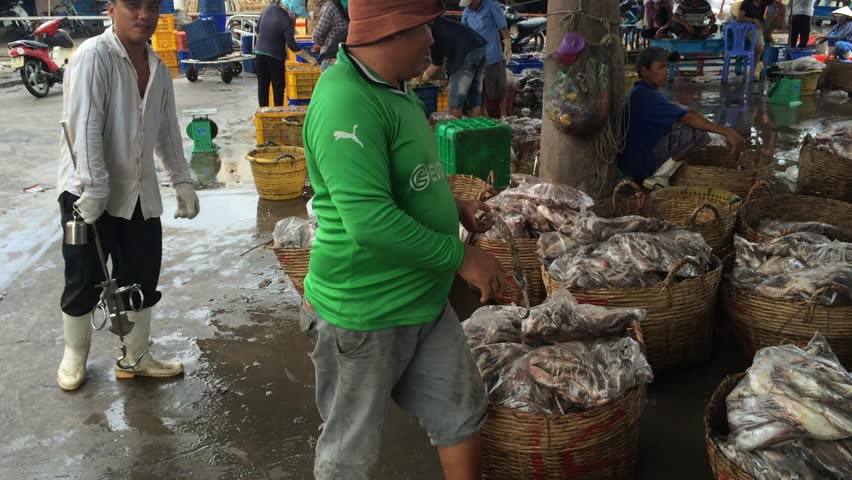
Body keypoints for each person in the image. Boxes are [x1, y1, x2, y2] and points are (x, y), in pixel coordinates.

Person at [300, 0, 506, 478]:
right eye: (425, 29)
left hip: (423, 301)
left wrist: (455, 209)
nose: (433, 41)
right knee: (348, 451)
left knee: (461, 412)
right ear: (391, 31)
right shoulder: (345, 102)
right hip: (365, 314)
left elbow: (409, 181)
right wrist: (461, 257)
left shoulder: (398, 89)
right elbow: (370, 221)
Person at [55, 0, 201, 391]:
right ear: (111, 8)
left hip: (138, 190)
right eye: (132, 5)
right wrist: (96, 188)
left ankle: (134, 358)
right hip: (86, 192)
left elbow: (167, 130)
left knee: (141, 273)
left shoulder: (157, 68)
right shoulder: (93, 57)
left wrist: (182, 179)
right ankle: (75, 355)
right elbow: (84, 126)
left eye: (151, 6)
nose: (143, 15)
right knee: (84, 276)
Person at [619, 47, 746, 190]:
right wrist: (727, 131)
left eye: (667, 66)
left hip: (632, 161)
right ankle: (658, 177)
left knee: (690, 125)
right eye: (661, 67)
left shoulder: (642, 92)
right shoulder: (644, 96)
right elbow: (689, 116)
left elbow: (685, 111)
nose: (667, 71)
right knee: (695, 134)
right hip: (637, 165)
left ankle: (660, 172)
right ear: (644, 71)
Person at [414, 16, 487, 118]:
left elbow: (436, 65)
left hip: (465, 52)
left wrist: (420, 81)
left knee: (455, 103)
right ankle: (476, 131)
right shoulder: (437, 22)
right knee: (474, 101)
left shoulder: (430, 35)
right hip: (480, 47)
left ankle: (456, 132)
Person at [254, 0, 318, 107]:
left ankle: (264, 114)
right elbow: (291, 44)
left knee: (262, 87)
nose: (296, 16)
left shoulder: (266, 10)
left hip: (259, 55)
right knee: (278, 89)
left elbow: (258, 29)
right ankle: (278, 114)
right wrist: (309, 58)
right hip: (275, 59)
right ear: (292, 9)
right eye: (296, 14)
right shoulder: (286, 20)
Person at [461, 0, 511, 117]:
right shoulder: (467, 11)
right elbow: (464, 31)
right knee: (479, 89)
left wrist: (507, 43)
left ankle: (503, 114)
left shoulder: (492, 6)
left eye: (470, 4)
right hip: (476, 56)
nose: (469, 7)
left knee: (498, 88)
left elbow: (502, 26)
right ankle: (483, 114)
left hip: (492, 54)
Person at [738, 0, 785, 66]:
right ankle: (754, 69)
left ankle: (768, 33)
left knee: (778, 17)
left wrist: (782, 17)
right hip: (749, 28)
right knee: (759, 48)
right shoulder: (746, 3)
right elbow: (739, 18)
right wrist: (753, 20)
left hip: (761, 25)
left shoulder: (764, 2)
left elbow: (779, 5)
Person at [311, 0, 348, 72]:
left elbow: (318, 34)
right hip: (345, 55)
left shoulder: (329, 8)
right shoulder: (349, 5)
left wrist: (319, 44)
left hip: (330, 57)